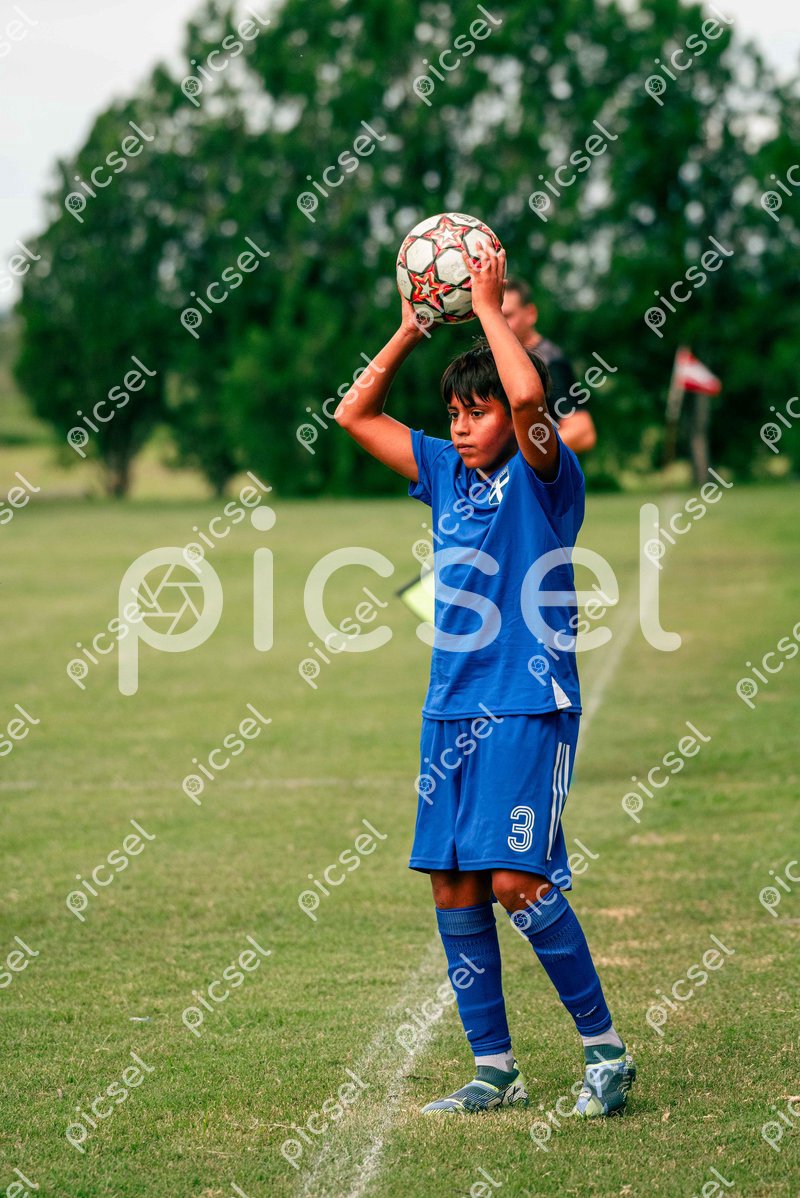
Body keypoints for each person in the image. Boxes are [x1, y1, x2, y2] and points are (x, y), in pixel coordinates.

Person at [334, 241, 635, 1118]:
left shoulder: (546, 477)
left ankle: (606, 1054)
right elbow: (354, 414)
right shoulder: (442, 471)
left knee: (516, 881)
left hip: (528, 703)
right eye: (454, 413)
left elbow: (533, 397)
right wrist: (407, 330)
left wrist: (493, 313)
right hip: (450, 707)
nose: (463, 426)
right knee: (453, 883)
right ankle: (494, 1070)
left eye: (478, 411)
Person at [501, 276, 597, 455]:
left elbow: (583, 433)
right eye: (495, 316)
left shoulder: (549, 361)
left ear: (531, 314)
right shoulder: (497, 359)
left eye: (507, 315)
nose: (499, 324)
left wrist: (520, 457)